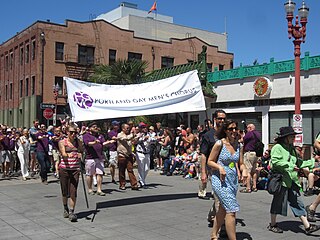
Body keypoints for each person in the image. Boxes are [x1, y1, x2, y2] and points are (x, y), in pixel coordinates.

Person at [267, 126, 320, 235]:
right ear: (285, 138)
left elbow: (299, 163)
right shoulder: (278, 147)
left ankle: (307, 226)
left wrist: (312, 161)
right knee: (277, 203)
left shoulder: (291, 148)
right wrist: (291, 166)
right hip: (281, 180)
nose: (294, 138)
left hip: (292, 180)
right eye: (291, 136)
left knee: (297, 203)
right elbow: (276, 162)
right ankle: (273, 224)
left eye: (294, 136)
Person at [207, 120, 247, 240]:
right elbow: (210, 161)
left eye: (235, 129)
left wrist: (244, 170)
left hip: (232, 181)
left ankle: (214, 234)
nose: (234, 131)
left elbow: (241, 163)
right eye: (230, 129)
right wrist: (219, 167)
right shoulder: (220, 144)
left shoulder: (239, 145)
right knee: (232, 210)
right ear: (225, 131)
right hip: (219, 180)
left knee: (223, 209)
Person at [58, 125, 83, 222]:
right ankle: (65, 208)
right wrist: (68, 154)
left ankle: (72, 212)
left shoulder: (78, 142)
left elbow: (82, 151)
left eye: (75, 132)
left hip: (75, 169)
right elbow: (63, 154)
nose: (73, 134)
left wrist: (81, 153)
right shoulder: (62, 142)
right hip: (64, 169)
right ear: (67, 132)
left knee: (73, 191)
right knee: (65, 191)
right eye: (71, 132)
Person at [83, 122, 114, 196]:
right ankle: (90, 189)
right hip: (90, 158)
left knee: (100, 173)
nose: (96, 128)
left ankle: (99, 189)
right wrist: (94, 142)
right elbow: (88, 143)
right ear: (90, 128)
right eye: (94, 127)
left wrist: (109, 142)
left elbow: (102, 143)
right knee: (89, 174)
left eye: (96, 127)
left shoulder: (100, 136)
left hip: (99, 157)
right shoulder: (86, 136)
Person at [117, 123, 139, 190]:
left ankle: (134, 184)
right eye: (127, 128)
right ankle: (122, 184)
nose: (128, 129)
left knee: (130, 169)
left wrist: (136, 137)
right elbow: (126, 139)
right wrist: (132, 135)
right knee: (121, 171)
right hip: (122, 155)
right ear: (123, 128)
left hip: (129, 155)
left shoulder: (129, 135)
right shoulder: (120, 135)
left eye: (128, 128)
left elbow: (132, 142)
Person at [241, 123, 261, 193]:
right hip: (256, 153)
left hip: (249, 153)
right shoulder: (258, 134)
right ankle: (254, 186)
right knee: (254, 170)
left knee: (247, 171)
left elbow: (243, 140)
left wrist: (243, 135)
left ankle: (248, 187)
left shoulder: (249, 134)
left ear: (249, 128)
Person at [135, 122, 152, 188]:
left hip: (147, 153)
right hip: (140, 153)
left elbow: (153, 140)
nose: (144, 128)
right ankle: (142, 182)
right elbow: (135, 141)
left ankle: (142, 180)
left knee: (147, 168)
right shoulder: (138, 134)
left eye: (145, 127)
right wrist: (143, 139)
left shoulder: (149, 134)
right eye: (142, 127)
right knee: (141, 168)